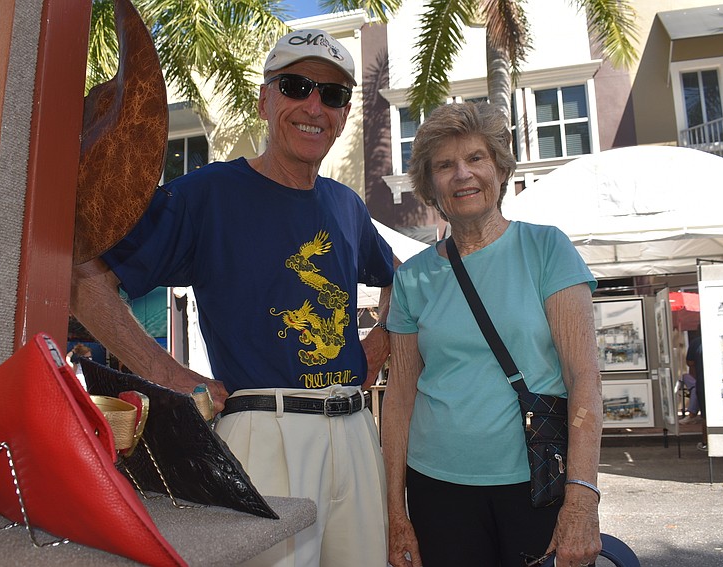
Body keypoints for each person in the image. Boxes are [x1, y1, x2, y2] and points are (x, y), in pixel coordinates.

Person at [70, 29, 395, 567]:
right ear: (266, 99)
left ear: (343, 115)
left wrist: (381, 339)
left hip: (357, 435)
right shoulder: (208, 193)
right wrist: (168, 373)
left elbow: (401, 278)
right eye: (296, 85)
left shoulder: (346, 206)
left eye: (333, 95)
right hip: (263, 432)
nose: (314, 106)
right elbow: (83, 277)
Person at [382, 101, 603, 567]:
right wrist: (394, 515)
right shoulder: (412, 278)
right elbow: (399, 397)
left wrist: (582, 499)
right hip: (436, 489)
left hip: (536, 485)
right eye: (445, 165)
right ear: (430, 185)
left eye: (476, 158)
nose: (462, 174)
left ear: (500, 170)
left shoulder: (546, 249)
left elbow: (584, 378)